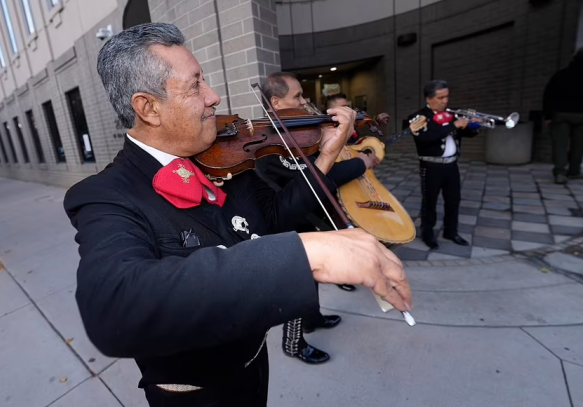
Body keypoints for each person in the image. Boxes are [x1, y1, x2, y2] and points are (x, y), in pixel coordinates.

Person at [63, 23, 412, 407]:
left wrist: (326, 154)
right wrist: (306, 253)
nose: (213, 97)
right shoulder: (104, 196)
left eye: (205, 80)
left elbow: (276, 216)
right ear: (148, 107)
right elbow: (114, 308)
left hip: (254, 361)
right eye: (195, 85)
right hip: (198, 395)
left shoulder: (227, 156)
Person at [256, 73, 385, 365]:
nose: (305, 101)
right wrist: (359, 163)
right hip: (289, 224)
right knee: (297, 285)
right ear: (276, 102)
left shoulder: (301, 131)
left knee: (312, 278)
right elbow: (319, 178)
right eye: (298, 96)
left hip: (310, 219)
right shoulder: (268, 146)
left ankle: (312, 318)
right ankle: (292, 343)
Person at [408, 80, 480, 250]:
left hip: (451, 165)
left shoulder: (453, 114)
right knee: (430, 201)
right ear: (429, 98)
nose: (445, 101)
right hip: (431, 166)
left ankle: (451, 231)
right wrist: (453, 125)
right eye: (440, 98)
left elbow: (468, 134)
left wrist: (473, 125)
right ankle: (428, 233)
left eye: (446, 97)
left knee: (453, 199)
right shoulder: (417, 117)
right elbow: (426, 138)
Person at [543, 47, 583, 184]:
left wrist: (548, 116)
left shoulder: (560, 75)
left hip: (560, 114)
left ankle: (560, 172)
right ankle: (574, 171)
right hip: (581, 114)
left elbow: (548, 95)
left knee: (560, 144)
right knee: (579, 145)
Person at [324, 93, 390, 144]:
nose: (349, 110)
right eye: (343, 107)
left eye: (348, 107)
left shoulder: (352, 124)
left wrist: (377, 121)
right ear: (330, 110)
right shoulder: (326, 132)